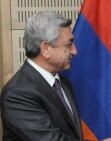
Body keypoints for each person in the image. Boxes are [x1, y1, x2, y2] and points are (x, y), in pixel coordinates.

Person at [0, 11, 83, 141]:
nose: (74, 50)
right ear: (45, 49)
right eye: (68, 44)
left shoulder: (65, 83)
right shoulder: (17, 94)